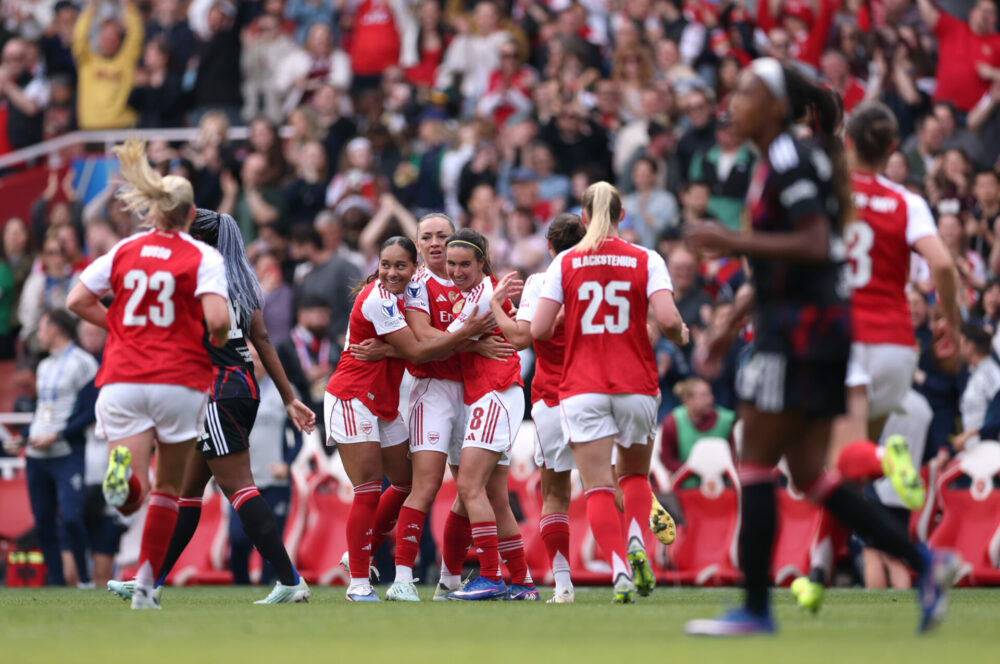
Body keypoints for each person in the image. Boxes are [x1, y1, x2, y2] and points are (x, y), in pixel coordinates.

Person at [684, 58, 958, 636]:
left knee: (756, 462)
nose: (735, 99)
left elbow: (813, 241)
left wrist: (731, 239)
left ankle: (757, 608)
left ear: (778, 107)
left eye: (749, 90)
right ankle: (928, 563)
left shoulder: (788, 157)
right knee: (812, 472)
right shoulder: (785, 159)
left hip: (803, 332)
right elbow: (789, 256)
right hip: (819, 327)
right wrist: (734, 323)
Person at [791, 102, 962, 612]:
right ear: (891, 149)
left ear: (848, 144)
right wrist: (947, 324)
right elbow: (943, 266)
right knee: (847, 476)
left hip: (845, 340)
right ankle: (818, 575)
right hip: (897, 346)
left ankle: (891, 459)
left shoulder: (828, 196)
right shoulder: (906, 201)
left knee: (837, 461)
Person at [105, 210, 314, 605]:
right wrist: (288, 398)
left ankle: (289, 581)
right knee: (186, 494)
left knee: (239, 488)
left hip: (215, 390)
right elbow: (264, 341)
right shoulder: (241, 281)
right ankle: (151, 579)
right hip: (241, 387)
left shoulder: (197, 280)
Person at [66, 138, 231, 610]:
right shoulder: (202, 257)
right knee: (168, 487)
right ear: (190, 211)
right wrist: (215, 342)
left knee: (129, 496)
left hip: (121, 378)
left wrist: (116, 325)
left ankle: (124, 478)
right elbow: (218, 320)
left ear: (155, 210)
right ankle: (143, 589)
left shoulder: (124, 249)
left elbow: (75, 300)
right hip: (177, 380)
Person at [530, 182, 688, 603]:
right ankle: (638, 542)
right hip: (635, 381)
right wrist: (682, 332)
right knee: (634, 476)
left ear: (583, 219)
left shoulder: (565, 262)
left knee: (597, 485)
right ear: (623, 216)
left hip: (582, 385)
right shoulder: (646, 258)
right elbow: (669, 321)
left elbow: (539, 329)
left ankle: (619, 567)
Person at [325, 236, 494, 601]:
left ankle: (360, 551)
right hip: (353, 398)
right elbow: (417, 351)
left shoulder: (411, 294)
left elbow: (411, 346)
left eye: (399, 266)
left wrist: (387, 348)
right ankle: (358, 582)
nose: (391, 272)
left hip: (384, 402)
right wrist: (470, 335)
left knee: (403, 483)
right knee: (368, 488)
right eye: (386, 264)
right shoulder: (380, 298)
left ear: (413, 268)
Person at [368, 214, 515, 602]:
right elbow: (423, 336)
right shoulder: (417, 283)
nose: (435, 243)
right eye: (427, 237)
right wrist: (474, 342)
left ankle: (451, 580)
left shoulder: (477, 284)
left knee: (470, 491)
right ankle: (401, 575)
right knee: (427, 485)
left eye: (443, 236)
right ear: (417, 244)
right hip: (432, 390)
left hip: (474, 390)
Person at [481, 213, 586, 603]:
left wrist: (497, 305)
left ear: (549, 247)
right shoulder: (598, 282)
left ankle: (562, 584)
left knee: (555, 494)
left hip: (550, 397)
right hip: (593, 393)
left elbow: (519, 339)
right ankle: (629, 554)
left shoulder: (542, 282)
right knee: (610, 482)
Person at [435, 228, 533, 602]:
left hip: (495, 394)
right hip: (492, 396)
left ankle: (490, 576)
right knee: (495, 497)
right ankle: (523, 584)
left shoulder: (483, 296)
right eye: (451, 264)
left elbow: (438, 346)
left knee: (469, 486)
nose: (457, 272)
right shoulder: (476, 294)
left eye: (465, 265)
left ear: (481, 263)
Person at [16, 310, 98, 587]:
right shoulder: (44, 366)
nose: (38, 335)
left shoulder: (83, 362)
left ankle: (85, 580)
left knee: (72, 518)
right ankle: (57, 583)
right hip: (37, 457)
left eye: (41, 328)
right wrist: (26, 435)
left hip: (66, 454)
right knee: (43, 524)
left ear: (55, 329)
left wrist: (59, 435)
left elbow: (90, 411)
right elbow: (44, 410)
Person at [229, 343, 303, 585]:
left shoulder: (285, 391)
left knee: (271, 540)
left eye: (260, 358)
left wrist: (288, 464)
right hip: (241, 479)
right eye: (249, 358)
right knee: (238, 539)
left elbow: (300, 435)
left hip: (275, 480)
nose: (255, 363)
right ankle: (238, 590)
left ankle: (273, 587)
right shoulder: (231, 390)